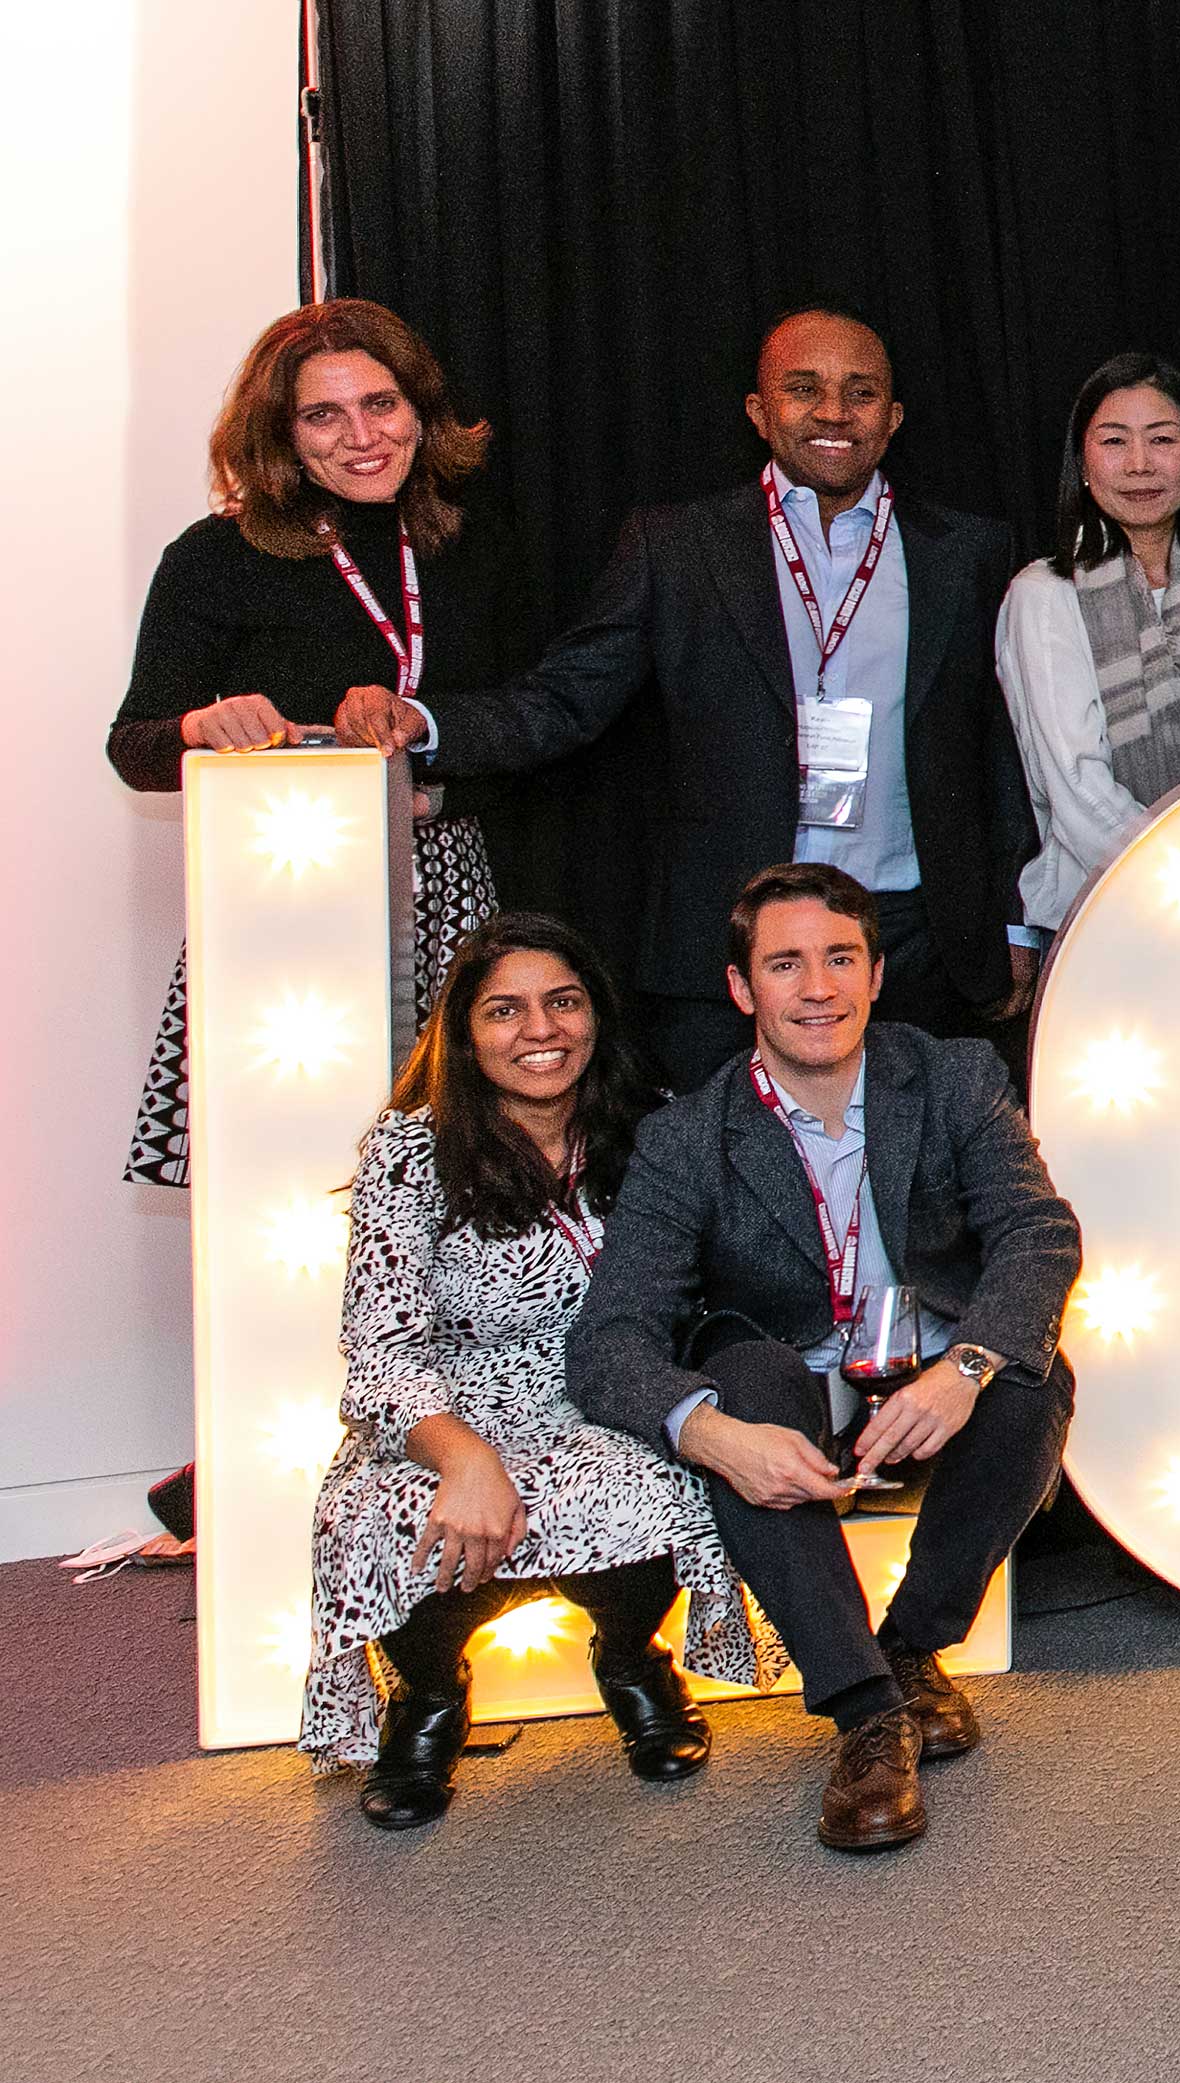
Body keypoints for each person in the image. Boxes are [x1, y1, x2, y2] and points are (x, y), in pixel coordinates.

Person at [347, 306, 1034, 1086]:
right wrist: (424, 721)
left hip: (914, 940)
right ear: (759, 412)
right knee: (724, 1162)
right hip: (728, 941)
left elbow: (1002, 749)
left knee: (915, 1159)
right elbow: (565, 699)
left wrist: (1016, 923)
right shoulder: (678, 546)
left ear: (894, 416)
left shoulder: (968, 552)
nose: (834, 412)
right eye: (803, 389)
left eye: (861, 392)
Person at [567, 864, 1082, 1852]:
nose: (817, 988)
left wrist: (965, 1365)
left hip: (922, 1385)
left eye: (841, 958)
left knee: (1031, 1377)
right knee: (744, 1383)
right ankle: (866, 1713)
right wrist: (712, 1436)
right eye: (785, 964)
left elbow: (1037, 1232)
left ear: (877, 975)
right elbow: (609, 1341)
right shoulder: (687, 1137)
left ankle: (912, 1648)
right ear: (740, 988)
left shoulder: (952, 1077)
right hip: (789, 1399)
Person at [305, 915, 769, 1824]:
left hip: (608, 1386)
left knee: (667, 1472)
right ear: (464, 1032)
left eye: (563, 1002)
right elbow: (379, 1347)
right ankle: (429, 1695)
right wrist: (465, 1457)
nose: (540, 1029)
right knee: (383, 1512)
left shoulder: (654, 1129)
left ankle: (630, 1658)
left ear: (596, 1013)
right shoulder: (411, 1149)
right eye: (504, 1010)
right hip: (448, 1405)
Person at [110, 299, 539, 1188]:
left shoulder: (476, 545)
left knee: (456, 1175)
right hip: (283, 900)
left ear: (420, 409)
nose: (362, 436)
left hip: (449, 894)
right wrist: (197, 729)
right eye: (323, 415)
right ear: (282, 434)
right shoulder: (215, 557)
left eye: (381, 404)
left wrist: (430, 778)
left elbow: (537, 722)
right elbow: (133, 746)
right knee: (280, 1178)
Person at [999, 352, 1180, 939]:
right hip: (1101, 912)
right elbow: (1076, 788)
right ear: (1082, 463)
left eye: (1162, 439)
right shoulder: (1045, 594)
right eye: (1114, 441)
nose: (1140, 464)